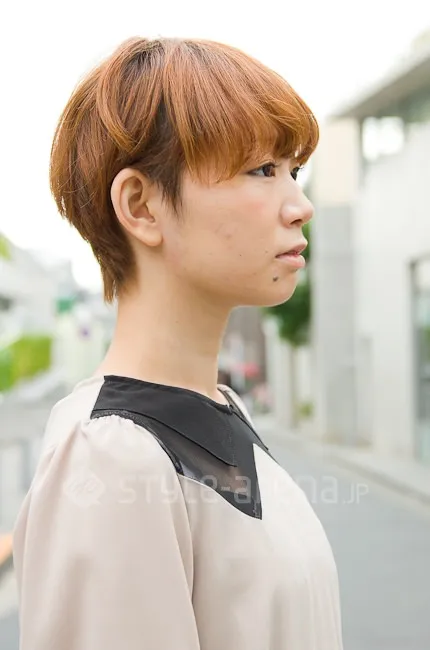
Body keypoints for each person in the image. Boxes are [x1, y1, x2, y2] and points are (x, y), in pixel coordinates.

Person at [13, 37, 343, 650]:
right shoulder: (111, 453)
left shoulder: (216, 411)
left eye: (293, 172)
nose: (300, 207)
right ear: (141, 206)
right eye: (262, 170)